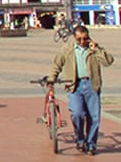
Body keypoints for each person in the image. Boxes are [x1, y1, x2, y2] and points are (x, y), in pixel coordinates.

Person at [48, 24, 114, 155]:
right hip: (74, 86)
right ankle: (80, 139)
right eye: (79, 39)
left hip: (91, 85)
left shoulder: (93, 49)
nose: (82, 42)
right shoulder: (67, 50)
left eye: (85, 38)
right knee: (77, 114)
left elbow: (108, 61)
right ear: (74, 38)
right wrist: (51, 80)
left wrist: (97, 49)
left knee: (93, 117)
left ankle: (91, 144)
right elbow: (56, 65)